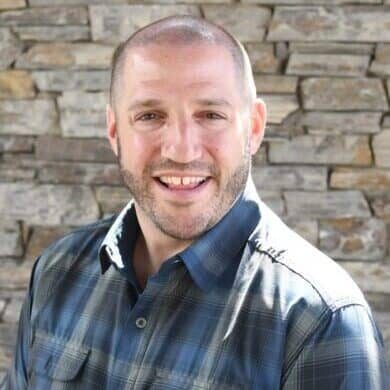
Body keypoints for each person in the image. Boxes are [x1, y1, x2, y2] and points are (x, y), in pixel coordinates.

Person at [2, 15, 389, 390]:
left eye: (210, 114)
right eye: (150, 115)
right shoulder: (57, 272)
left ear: (253, 128)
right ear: (114, 130)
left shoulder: (320, 321)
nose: (182, 150)